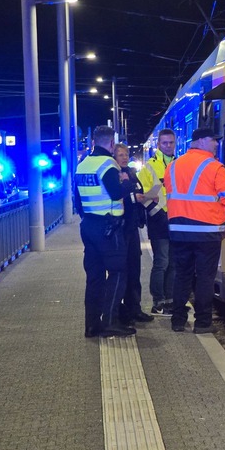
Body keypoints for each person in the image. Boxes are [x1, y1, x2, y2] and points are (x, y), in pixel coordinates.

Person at [166, 128, 225, 334]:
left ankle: (178, 321)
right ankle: (202, 323)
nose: (216, 144)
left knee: (182, 275)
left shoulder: (173, 166)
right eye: (212, 140)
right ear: (199, 142)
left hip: (179, 230)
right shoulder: (214, 167)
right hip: (207, 231)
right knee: (205, 277)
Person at [75, 126, 136, 338]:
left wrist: (89, 218)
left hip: (89, 226)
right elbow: (116, 192)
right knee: (119, 272)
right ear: (111, 144)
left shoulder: (83, 165)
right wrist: (128, 184)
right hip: (109, 228)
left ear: (94, 141)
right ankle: (110, 321)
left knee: (94, 277)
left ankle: (91, 325)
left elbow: (77, 201)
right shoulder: (108, 164)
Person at [113, 143, 154, 325]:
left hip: (132, 227)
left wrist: (144, 196)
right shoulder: (113, 174)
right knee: (123, 270)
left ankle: (135, 308)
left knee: (134, 270)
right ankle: (122, 312)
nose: (123, 157)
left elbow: (138, 190)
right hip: (120, 228)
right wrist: (133, 196)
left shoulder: (130, 172)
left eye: (126, 154)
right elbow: (116, 197)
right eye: (120, 154)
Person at [137, 129, 176, 315]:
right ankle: (157, 301)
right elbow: (142, 195)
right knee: (162, 262)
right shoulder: (149, 167)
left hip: (177, 219)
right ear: (158, 145)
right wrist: (154, 206)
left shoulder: (179, 164)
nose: (168, 146)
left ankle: (170, 300)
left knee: (174, 262)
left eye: (171, 143)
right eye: (165, 143)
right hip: (159, 219)